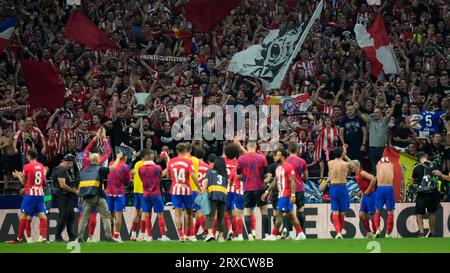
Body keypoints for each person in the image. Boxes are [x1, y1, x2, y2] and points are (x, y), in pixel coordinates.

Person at [77, 151, 124, 243]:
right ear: (98, 160)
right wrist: (118, 158)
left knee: (84, 218)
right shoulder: (100, 169)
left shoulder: (83, 170)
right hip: (98, 197)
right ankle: (109, 237)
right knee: (105, 217)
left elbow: (80, 184)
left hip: (87, 198)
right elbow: (113, 167)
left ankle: (79, 237)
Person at [261, 149, 306, 241]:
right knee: (291, 216)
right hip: (281, 194)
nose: (275, 157)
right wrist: (267, 192)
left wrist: (293, 195)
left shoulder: (288, 167)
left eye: (277, 155)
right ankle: (301, 234)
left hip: (286, 195)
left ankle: (273, 235)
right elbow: (274, 181)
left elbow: (293, 182)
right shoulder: (278, 168)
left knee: (279, 214)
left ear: (282, 157)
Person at [8, 149, 48, 244]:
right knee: (42, 216)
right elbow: (44, 183)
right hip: (40, 194)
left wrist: (18, 176)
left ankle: (19, 238)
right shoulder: (41, 166)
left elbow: (24, 183)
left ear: (29, 156)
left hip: (30, 195)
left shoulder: (26, 167)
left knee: (24, 216)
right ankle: (43, 238)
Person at [162, 142, 200, 241]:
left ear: (177, 151)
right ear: (185, 150)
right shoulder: (188, 161)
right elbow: (192, 175)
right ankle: (189, 235)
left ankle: (180, 235)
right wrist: (199, 187)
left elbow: (166, 174)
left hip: (175, 190)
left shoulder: (172, 162)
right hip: (187, 190)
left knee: (178, 213)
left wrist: (167, 161)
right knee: (188, 213)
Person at [236, 141, 270, 240]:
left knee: (247, 211)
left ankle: (250, 235)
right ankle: (267, 235)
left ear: (247, 146)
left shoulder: (241, 159)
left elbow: (238, 176)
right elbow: (265, 174)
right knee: (264, 211)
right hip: (260, 187)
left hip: (247, 188)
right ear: (256, 147)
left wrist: (245, 179)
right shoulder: (262, 157)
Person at [138, 149, 169, 242]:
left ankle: (149, 237)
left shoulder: (140, 169)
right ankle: (163, 236)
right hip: (156, 194)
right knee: (160, 215)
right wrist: (167, 160)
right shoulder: (158, 168)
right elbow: (164, 174)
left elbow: (142, 179)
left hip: (146, 194)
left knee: (147, 215)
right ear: (151, 156)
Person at [412, 152, 442, 237]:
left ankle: (421, 232)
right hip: (432, 193)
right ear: (426, 156)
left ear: (418, 158)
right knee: (431, 213)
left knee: (418, 213)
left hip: (421, 193)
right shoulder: (434, 165)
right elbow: (438, 177)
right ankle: (432, 232)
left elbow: (413, 181)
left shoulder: (416, 167)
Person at [346, 158, 377, 238]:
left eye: (352, 166)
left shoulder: (362, 172)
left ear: (357, 166)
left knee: (371, 215)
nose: (351, 168)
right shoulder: (357, 176)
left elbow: (373, 179)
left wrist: (368, 189)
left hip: (371, 195)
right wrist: (362, 193)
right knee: (361, 215)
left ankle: (376, 232)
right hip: (365, 196)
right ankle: (369, 233)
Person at [53, 154, 79, 242]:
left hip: (67, 196)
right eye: (68, 163)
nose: (70, 165)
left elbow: (70, 184)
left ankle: (72, 237)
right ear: (63, 161)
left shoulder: (66, 170)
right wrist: (75, 191)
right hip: (61, 196)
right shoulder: (60, 170)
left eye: (71, 163)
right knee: (63, 215)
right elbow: (63, 185)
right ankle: (57, 237)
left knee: (71, 216)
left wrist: (76, 191)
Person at [106, 152, 131, 242]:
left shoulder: (111, 163)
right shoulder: (125, 167)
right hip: (119, 193)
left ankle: (110, 235)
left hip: (109, 192)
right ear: (124, 158)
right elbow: (127, 182)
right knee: (118, 216)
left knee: (110, 215)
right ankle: (116, 237)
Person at [327, 146, 350, 239]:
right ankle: (339, 231)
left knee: (335, 211)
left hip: (333, 187)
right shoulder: (346, 164)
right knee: (342, 212)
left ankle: (338, 233)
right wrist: (345, 156)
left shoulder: (329, 163)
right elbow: (355, 165)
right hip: (342, 187)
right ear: (342, 154)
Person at [204, 157, 229, 242]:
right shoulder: (225, 173)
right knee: (220, 217)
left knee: (210, 214)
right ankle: (221, 237)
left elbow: (206, 182)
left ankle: (210, 233)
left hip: (213, 194)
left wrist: (203, 191)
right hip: (223, 195)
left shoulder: (210, 171)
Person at [285, 143, 308, 235]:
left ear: (288, 150)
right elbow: (306, 177)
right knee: (300, 210)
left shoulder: (285, 161)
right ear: (297, 150)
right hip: (300, 188)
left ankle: (289, 234)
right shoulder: (302, 161)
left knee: (288, 211)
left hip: (288, 189)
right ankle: (301, 233)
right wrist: (300, 179)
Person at [373, 156, 395, 238]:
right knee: (390, 211)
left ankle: (377, 230)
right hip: (389, 188)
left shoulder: (378, 166)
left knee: (377, 210)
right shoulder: (391, 165)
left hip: (380, 188)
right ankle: (387, 233)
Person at [193, 147, 209, 238]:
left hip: (196, 191)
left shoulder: (193, 165)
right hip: (205, 192)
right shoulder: (207, 166)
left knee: (198, 214)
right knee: (199, 215)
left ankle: (206, 232)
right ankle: (194, 234)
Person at [130, 151, 146, 241]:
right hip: (143, 191)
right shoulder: (147, 164)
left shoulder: (137, 164)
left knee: (136, 212)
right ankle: (142, 235)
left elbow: (133, 176)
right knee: (144, 212)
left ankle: (133, 234)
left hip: (136, 190)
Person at [0, 127, 19, 194]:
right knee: (6, 172)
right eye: (6, 131)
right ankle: (6, 187)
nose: (7, 132)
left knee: (13, 172)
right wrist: (5, 145)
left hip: (14, 156)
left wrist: (14, 147)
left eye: (8, 131)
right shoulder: (2, 138)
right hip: (6, 157)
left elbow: (16, 136)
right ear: (4, 132)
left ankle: (14, 188)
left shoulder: (13, 137)